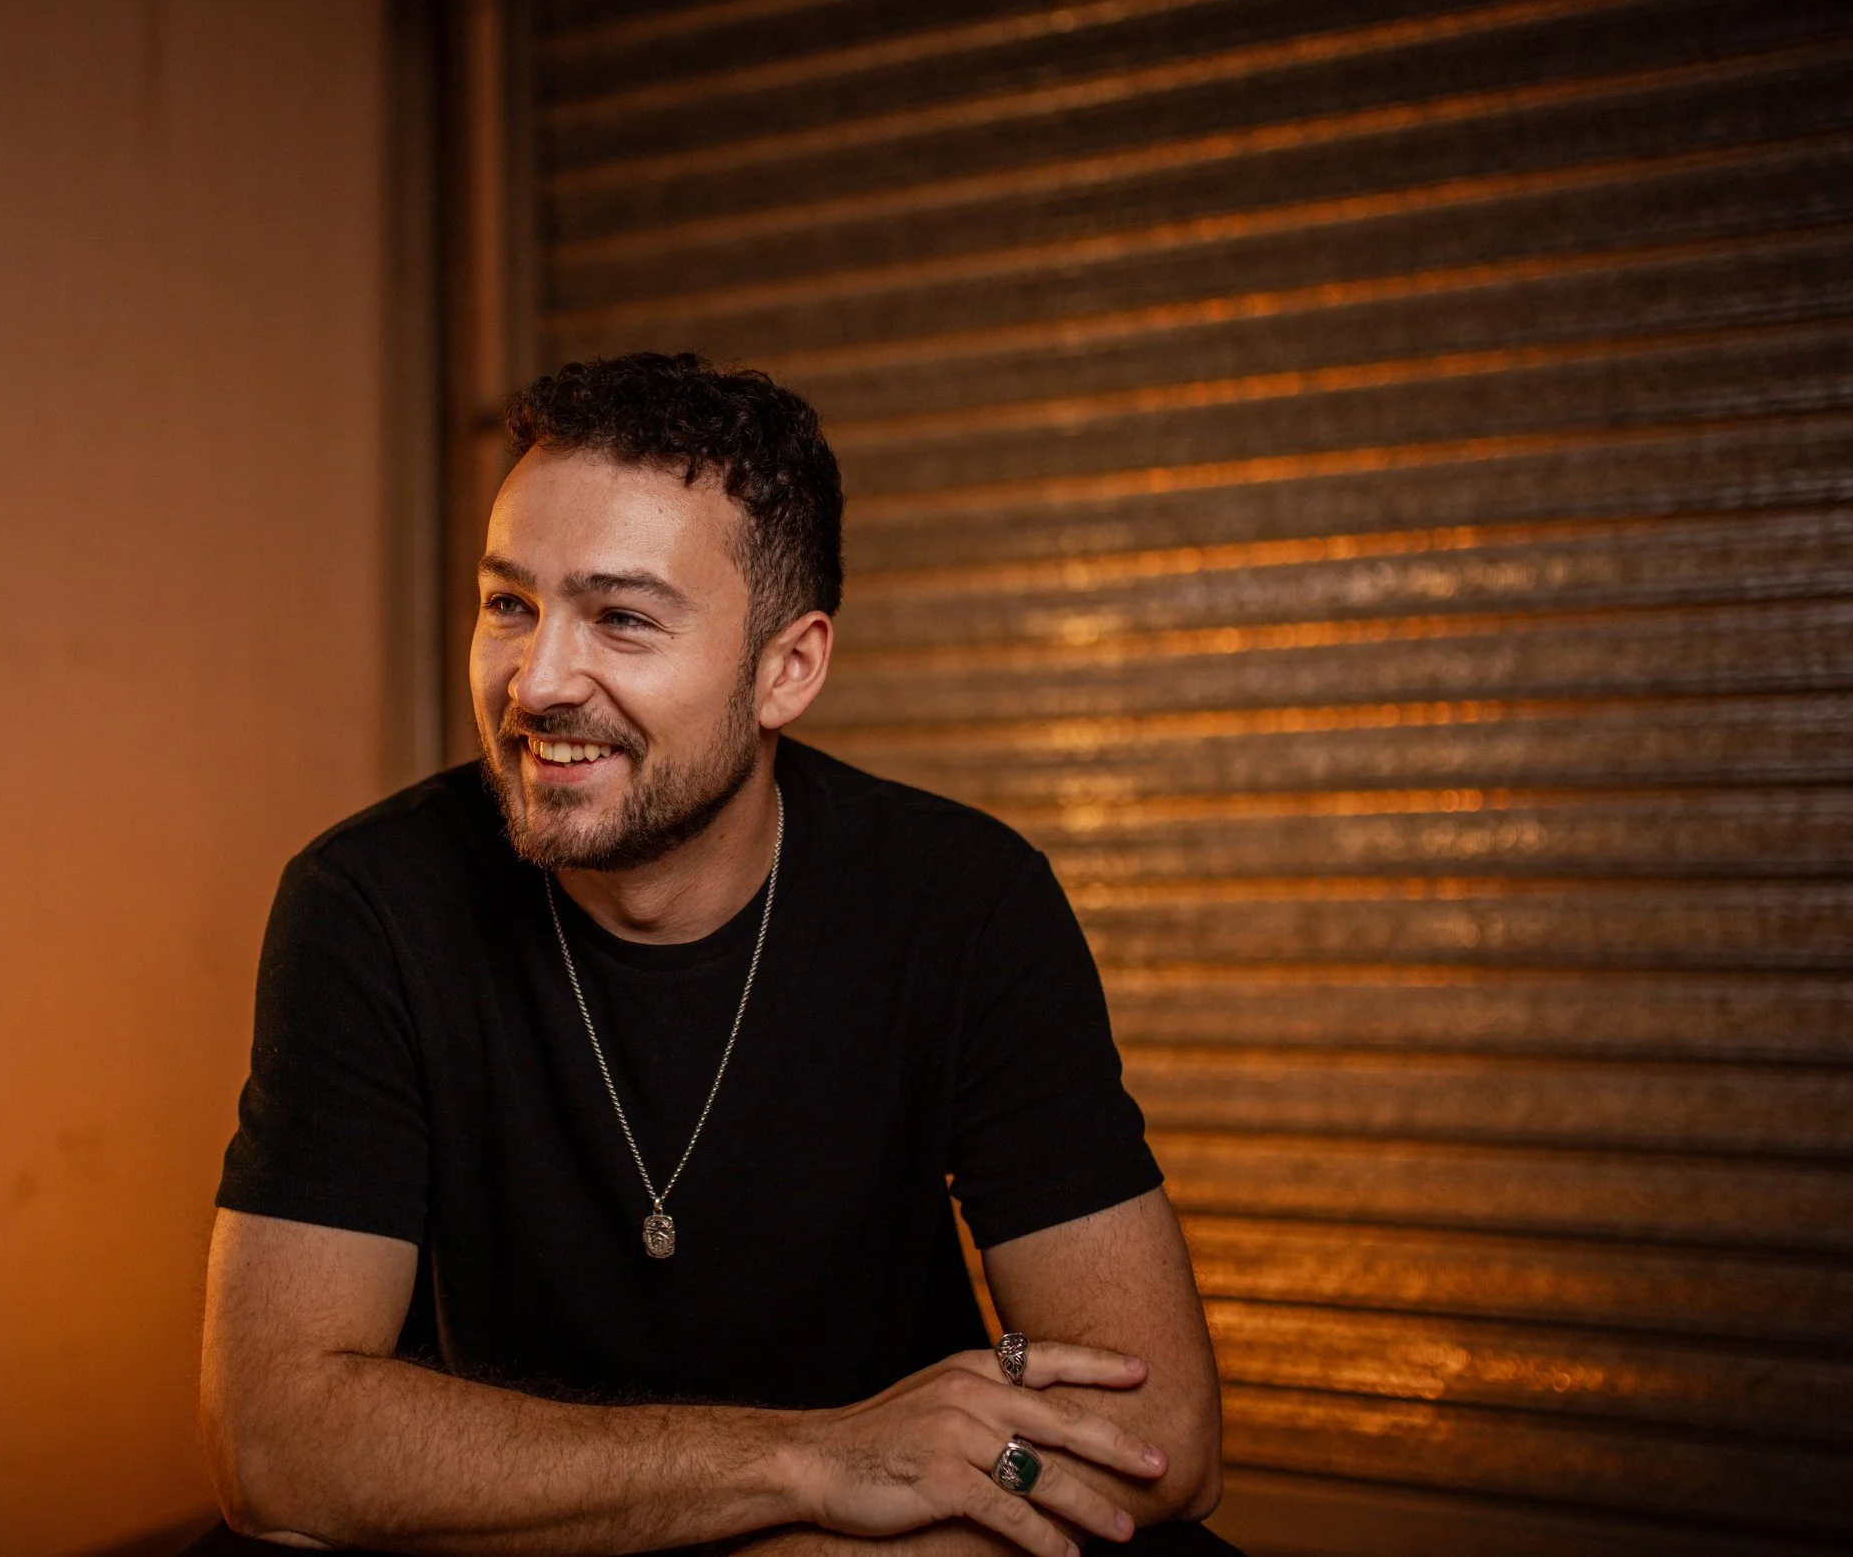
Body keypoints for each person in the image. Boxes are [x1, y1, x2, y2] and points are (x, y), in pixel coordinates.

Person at [194, 354, 1231, 1556]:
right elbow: (274, 1441)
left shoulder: (964, 898)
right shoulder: (368, 902)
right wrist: (806, 1460)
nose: (535, 681)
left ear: (788, 667)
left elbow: (1161, 1435)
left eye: (622, 618)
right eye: (509, 604)